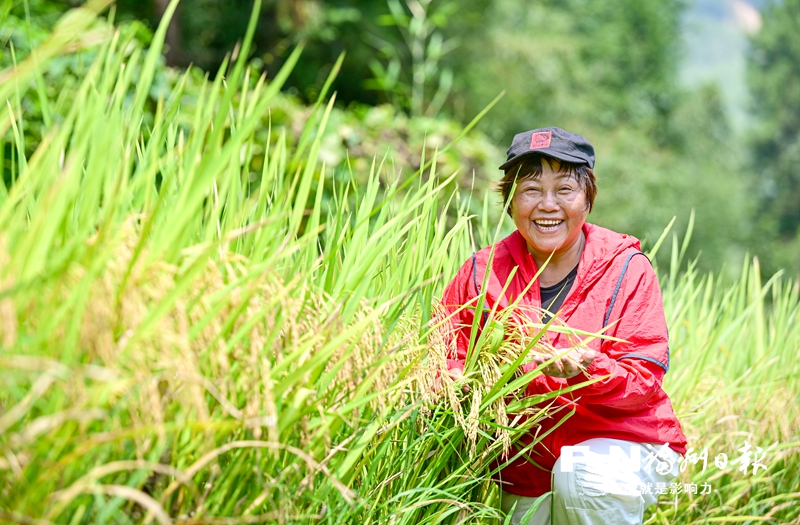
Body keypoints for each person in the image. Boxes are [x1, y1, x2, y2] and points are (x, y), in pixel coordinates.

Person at [440, 127, 687, 525]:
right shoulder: (480, 273)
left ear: (588, 198)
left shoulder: (626, 269)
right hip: (527, 466)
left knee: (580, 474)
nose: (547, 205)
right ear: (510, 200)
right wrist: (459, 378)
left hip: (624, 442)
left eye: (565, 190)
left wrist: (588, 369)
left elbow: (643, 379)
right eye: (531, 190)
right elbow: (445, 353)